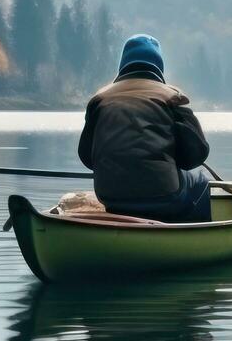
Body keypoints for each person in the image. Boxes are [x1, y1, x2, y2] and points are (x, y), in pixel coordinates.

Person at [76, 34, 212, 222]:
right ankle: (197, 239)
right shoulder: (171, 96)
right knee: (202, 181)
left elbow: (86, 157)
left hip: (111, 197)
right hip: (164, 196)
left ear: (123, 64)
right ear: (159, 66)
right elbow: (197, 155)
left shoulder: (100, 99)